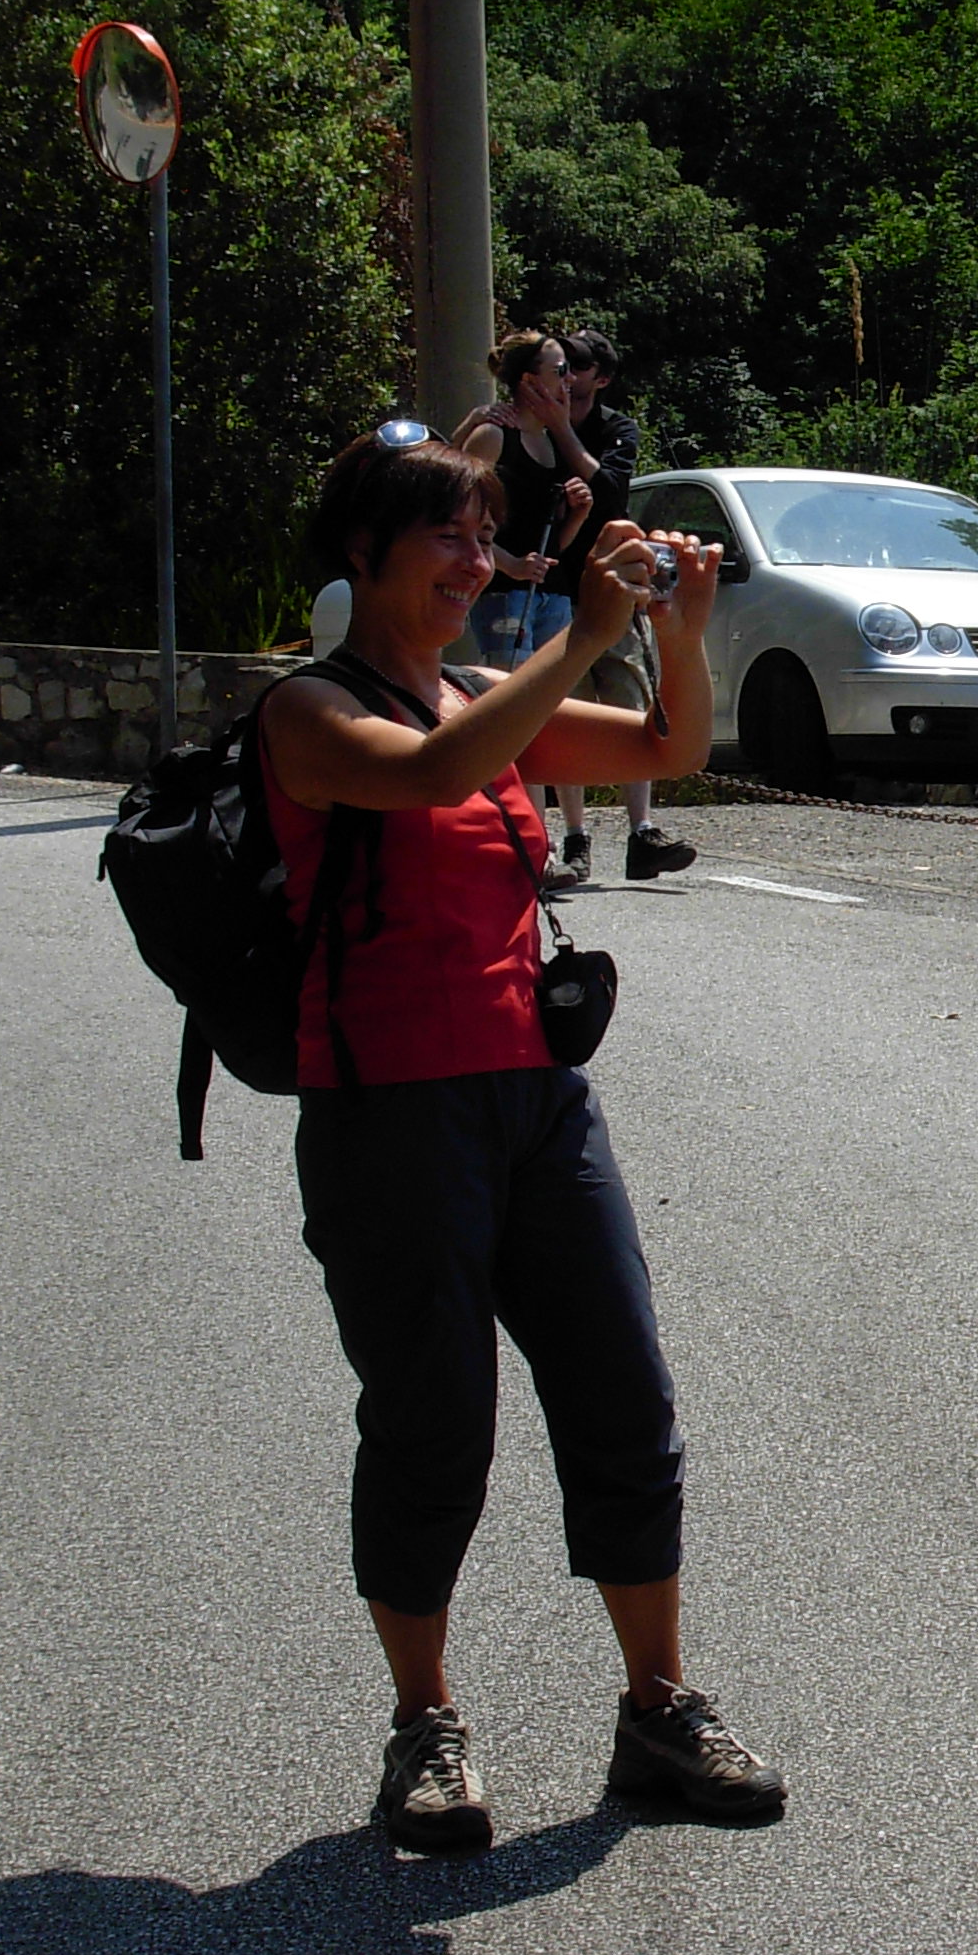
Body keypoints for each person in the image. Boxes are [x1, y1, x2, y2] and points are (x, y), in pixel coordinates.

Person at [255, 420, 783, 1846]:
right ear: (362, 550)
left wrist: (680, 631)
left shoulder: (487, 691)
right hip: (386, 1112)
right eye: (448, 534)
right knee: (433, 1427)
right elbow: (433, 775)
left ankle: (658, 1708)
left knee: (623, 1395)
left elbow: (673, 747)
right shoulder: (307, 713)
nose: (475, 561)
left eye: (486, 538)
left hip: (538, 1101)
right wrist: (585, 635)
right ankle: (423, 1727)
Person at [460, 332, 597, 885]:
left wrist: (575, 517)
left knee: (552, 714)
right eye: (558, 370)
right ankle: (531, 845)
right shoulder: (495, 436)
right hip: (504, 595)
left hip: (549, 594)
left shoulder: (552, 443)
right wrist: (510, 564)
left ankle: (569, 839)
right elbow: (456, 521)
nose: (568, 381)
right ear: (527, 380)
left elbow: (553, 544)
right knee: (516, 719)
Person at [563, 328, 697, 880]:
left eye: (577, 366)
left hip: (613, 587)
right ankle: (574, 838)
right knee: (565, 712)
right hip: (555, 592)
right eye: (559, 364)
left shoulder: (615, 429)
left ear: (601, 378)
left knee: (629, 703)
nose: (566, 375)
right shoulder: (527, 431)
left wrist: (559, 430)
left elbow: (611, 492)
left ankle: (642, 832)